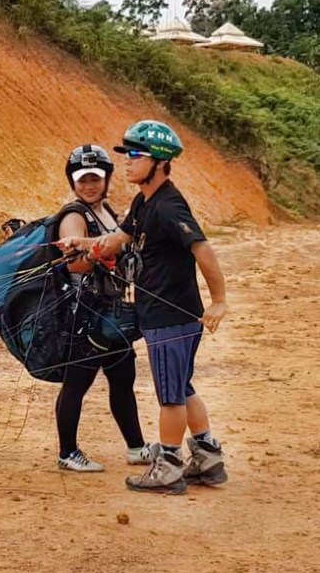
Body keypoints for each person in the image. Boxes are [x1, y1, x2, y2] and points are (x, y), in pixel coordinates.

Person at [58, 121, 228, 494]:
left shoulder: (168, 206)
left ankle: (167, 466)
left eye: (136, 156)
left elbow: (202, 249)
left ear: (160, 162)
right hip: (162, 315)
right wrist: (81, 243)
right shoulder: (143, 202)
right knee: (182, 387)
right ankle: (207, 455)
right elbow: (118, 240)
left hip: (171, 316)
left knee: (170, 394)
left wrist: (218, 301)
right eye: (127, 155)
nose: (129, 163)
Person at [52, 145, 150, 473]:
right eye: (82, 180)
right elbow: (74, 266)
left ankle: (137, 447)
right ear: (73, 182)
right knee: (77, 383)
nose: (89, 185)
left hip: (113, 313)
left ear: (106, 179)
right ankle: (68, 452)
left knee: (123, 378)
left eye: (95, 178)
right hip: (85, 315)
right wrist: (95, 253)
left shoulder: (108, 212)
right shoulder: (74, 216)